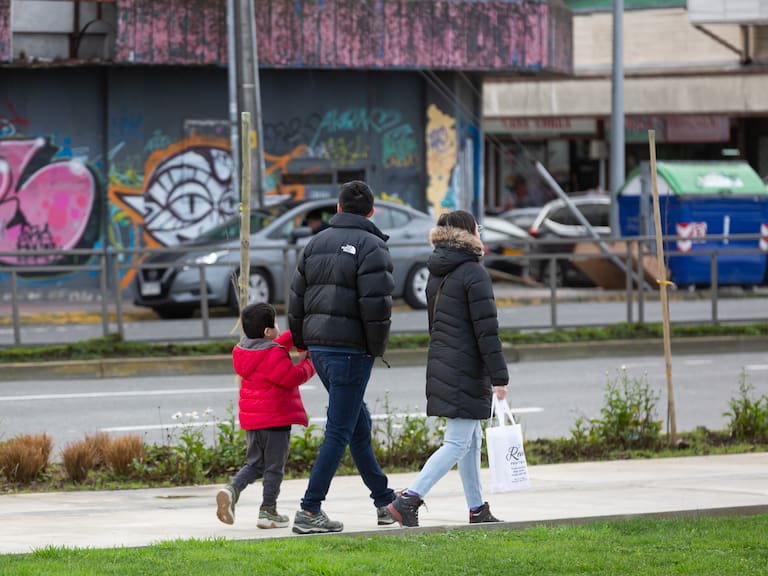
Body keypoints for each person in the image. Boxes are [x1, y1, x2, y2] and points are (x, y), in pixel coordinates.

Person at [387, 210, 509, 527]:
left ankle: (477, 508)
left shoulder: (438, 270)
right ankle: (408, 500)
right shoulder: (473, 273)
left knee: (470, 442)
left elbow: (436, 325)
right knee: (457, 442)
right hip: (465, 365)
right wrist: (500, 377)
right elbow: (487, 330)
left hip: (444, 360)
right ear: (471, 233)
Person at [287, 180, 397, 534]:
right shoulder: (372, 245)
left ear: (337, 208)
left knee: (356, 426)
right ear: (371, 211)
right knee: (339, 430)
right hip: (351, 351)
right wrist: (374, 347)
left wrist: (303, 341)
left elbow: (296, 297)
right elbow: (377, 306)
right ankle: (309, 509)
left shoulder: (316, 241)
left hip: (319, 348)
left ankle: (384, 501)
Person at [216, 302, 315, 529]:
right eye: (275, 324)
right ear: (267, 332)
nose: (278, 327)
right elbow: (292, 377)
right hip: (276, 421)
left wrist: (296, 334)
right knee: (274, 468)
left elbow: (273, 347)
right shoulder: (274, 354)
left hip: (253, 422)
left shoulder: (242, 351)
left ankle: (232, 489)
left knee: (255, 464)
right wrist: (310, 364)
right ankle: (268, 510)